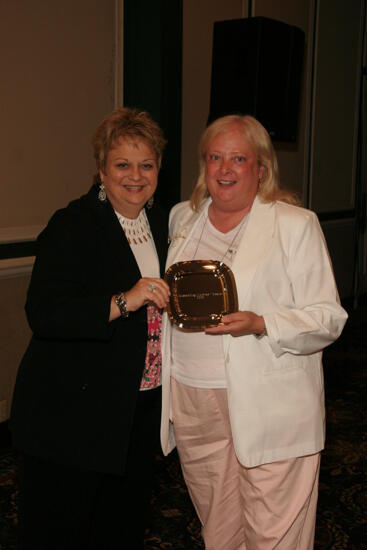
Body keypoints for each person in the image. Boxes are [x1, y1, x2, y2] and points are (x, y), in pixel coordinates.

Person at [160, 114, 348, 550]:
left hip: (270, 401)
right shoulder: (181, 218)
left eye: (238, 159)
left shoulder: (294, 224)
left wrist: (263, 323)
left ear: (261, 168)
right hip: (193, 396)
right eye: (215, 158)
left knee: (275, 533)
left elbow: (328, 317)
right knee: (219, 528)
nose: (225, 170)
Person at [10, 107, 170, 549]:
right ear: (102, 170)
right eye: (122, 164)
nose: (135, 175)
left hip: (135, 411)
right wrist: (124, 300)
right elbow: (44, 312)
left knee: (120, 530)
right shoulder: (74, 225)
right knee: (59, 533)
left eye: (146, 164)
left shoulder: (163, 224)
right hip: (71, 417)